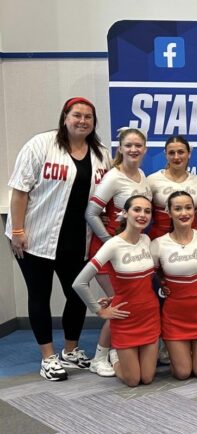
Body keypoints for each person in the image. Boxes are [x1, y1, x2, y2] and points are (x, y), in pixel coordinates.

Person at [6, 97, 111, 381]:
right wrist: (17, 231)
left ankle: (70, 350)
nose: (82, 121)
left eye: (88, 117)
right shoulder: (41, 145)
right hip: (34, 238)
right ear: (65, 117)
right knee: (39, 295)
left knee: (77, 294)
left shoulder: (101, 153)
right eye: (76, 115)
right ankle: (48, 358)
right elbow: (19, 190)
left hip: (77, 240)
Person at [84, 127, 152, 377]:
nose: (133, 149)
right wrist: (110, 242)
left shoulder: (142, 175)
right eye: (129, 145)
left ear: (145, 149)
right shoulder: (113, 177)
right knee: (120, 304)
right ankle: (99, 356)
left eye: (138, 145)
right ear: (120, 149)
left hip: (129, 248)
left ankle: (116, 350)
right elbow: (90, 213)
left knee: (125, 303)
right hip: (110, 250)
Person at [73, 195, 160, 387]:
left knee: (147, 378)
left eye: (147, 211)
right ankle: (114, 355)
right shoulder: (112, 245)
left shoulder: (146, 240)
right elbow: (79, 282)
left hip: (149, 315)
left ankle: (128, 356)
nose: (142, 215)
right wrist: (100, 310)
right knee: (133, 380)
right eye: (137, 210)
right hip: (125, 319)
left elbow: (143, 280)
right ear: (125, 213)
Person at [150, 191, 197, 380]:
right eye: (178, 208)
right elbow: (153, 275)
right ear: (168, 212)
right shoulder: (158, 244)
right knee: (182, 373)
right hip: (175, 315)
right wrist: (163, 285)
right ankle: (182, 353)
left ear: (194, 211)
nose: (184, 213)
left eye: (188, 208)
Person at [147, 135, 197, 239]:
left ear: (189, 154)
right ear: (165, 155)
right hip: (160, 238)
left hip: (192, 238)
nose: (176, 157)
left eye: (181, 152)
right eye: (171, 153)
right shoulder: (152, 180)